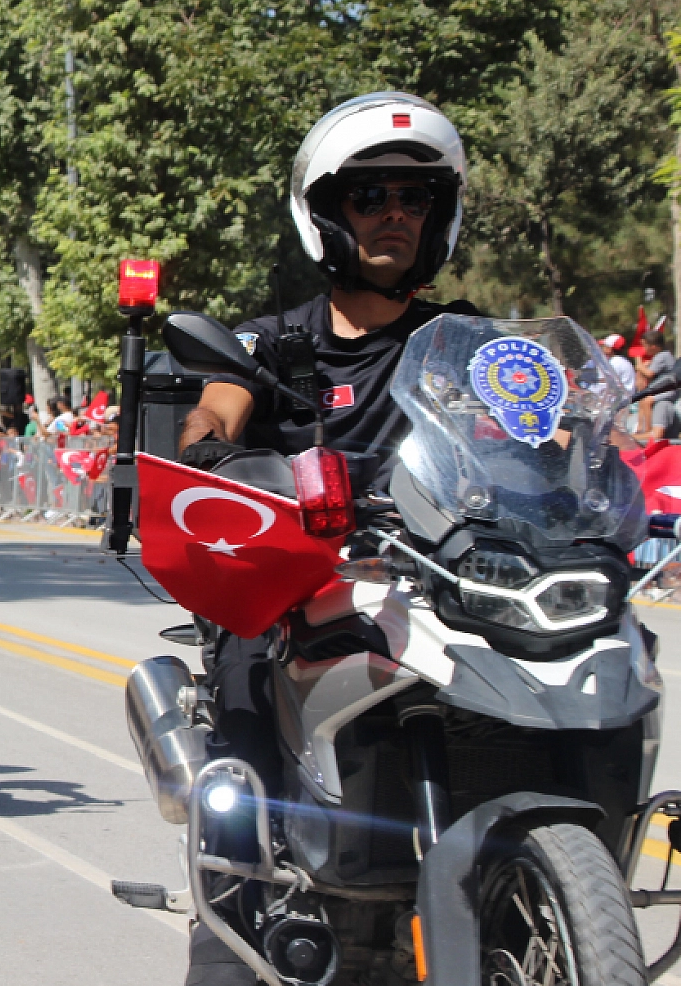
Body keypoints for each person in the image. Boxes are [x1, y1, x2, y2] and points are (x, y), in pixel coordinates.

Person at [172, 92, 476, 985]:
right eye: (370, 194)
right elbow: (209, 421)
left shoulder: (469, 341)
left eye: (413, 197)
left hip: (440, 585)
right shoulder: (269, 344)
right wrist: (225, 457)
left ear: (439, 215)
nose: (392, 212)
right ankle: (232, 907)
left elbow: (545, 428)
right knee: (242, 691)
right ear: (328, 213)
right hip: (305, 586)